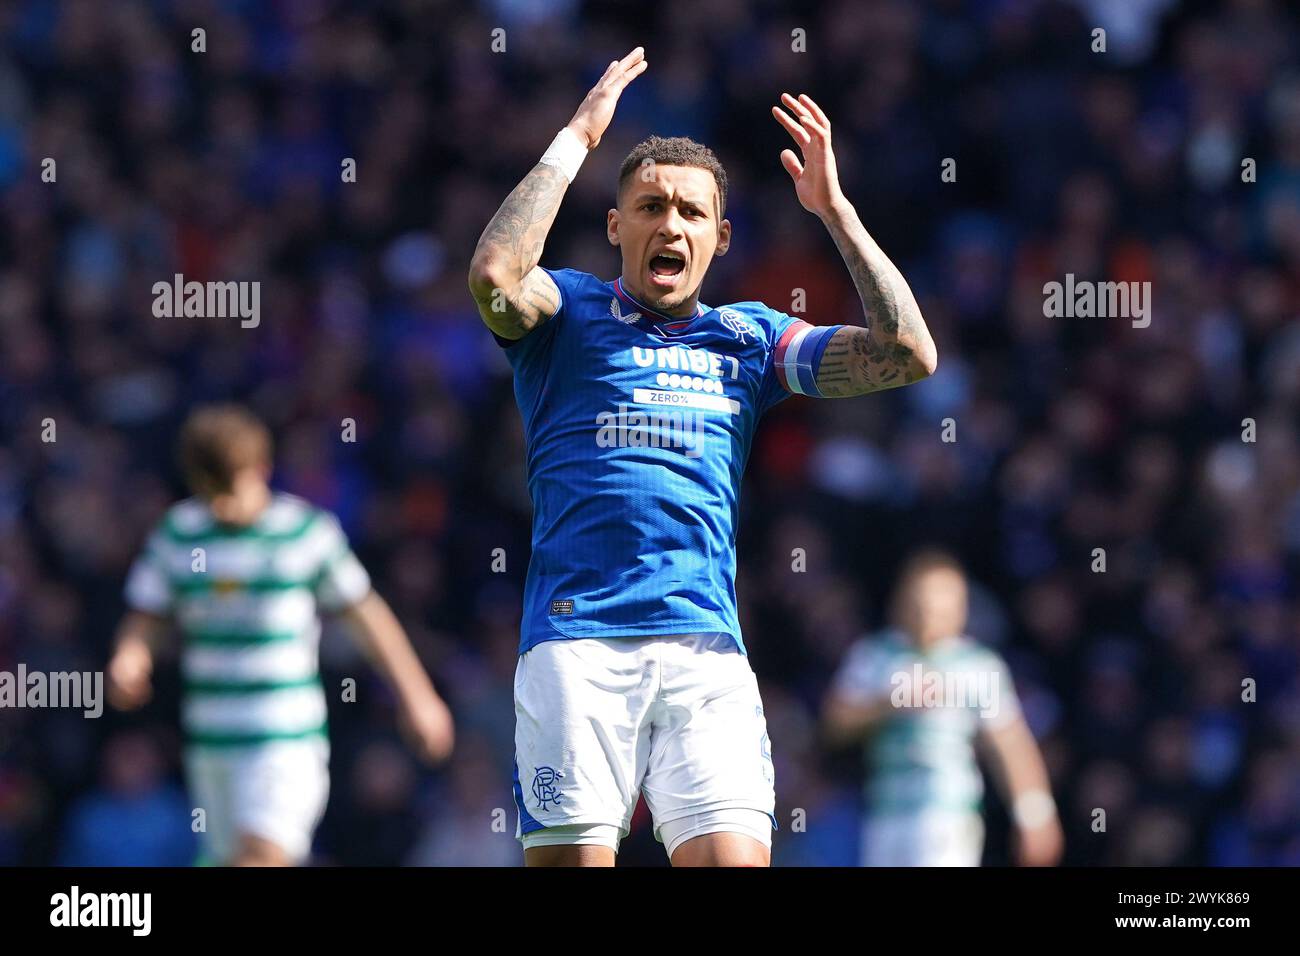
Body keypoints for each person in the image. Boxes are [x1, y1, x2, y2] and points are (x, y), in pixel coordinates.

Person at [467, 47, 938, 867]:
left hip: (705, 649)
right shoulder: (568, 312)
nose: (669, 223)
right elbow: (496, 274)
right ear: (616, 225)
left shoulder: (747, 338)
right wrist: (578, 137)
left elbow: (906, 354)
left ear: (719, 239)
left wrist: (833, 211)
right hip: (578, 648)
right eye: (649, 206)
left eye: (690, 212)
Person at [106, 405, 454, 866]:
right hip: (211, 744)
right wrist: (129, 656)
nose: (222, 505)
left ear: (261, 470)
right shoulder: (178, 535)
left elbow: (367, 616)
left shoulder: (304, 533)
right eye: (210, 492)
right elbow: (146, 614)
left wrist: (418, 697)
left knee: (260, 856)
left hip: (284, 740)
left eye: (231, 489)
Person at [823, 550, 1064, 866]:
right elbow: (834, 725)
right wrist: (888, 703)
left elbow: (1009, 743)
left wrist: (1034, 813)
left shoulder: (978, 666)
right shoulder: (874, 655)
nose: (929, 616)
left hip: (948, 813)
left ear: (961, 609)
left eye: (940, 607)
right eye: (921, 605)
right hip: (885, 811)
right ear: (901, 602)